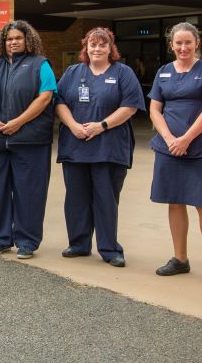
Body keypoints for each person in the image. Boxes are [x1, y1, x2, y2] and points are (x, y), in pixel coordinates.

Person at [55, 27, 144, 267]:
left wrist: (101, 126)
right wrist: (73, 125)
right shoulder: (73, 72)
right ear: (86, 47)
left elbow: (131, 106)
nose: (97, 49)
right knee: (76, 198)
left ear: (110, 48)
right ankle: (79, 244)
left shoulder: (123, 73)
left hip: (109, 147)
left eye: (102, 45)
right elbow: (59, 101)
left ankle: (109, 248)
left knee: (105, 199)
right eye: (92, 45)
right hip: (75, 146)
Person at [0, 20, 56, 259]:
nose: (13, 42)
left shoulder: (40, 64)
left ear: (28, 40)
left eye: (18, 38)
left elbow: (45, 96)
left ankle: (27, 241)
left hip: (30, 140)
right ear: (3, 41)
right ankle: (2, 238)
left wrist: (18, 122)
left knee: (30, 192)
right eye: (9, 39)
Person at [149, 22, 202, 283]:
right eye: (178, 43)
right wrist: (170, 139)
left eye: (188, 42)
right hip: (169, 149)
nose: (183, 47)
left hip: (199, 149)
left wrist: (186, 139)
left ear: (197, 44)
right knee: (175, 201)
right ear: (171, 46)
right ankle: (180, 258)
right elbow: (155, 109)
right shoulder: (163, 72)